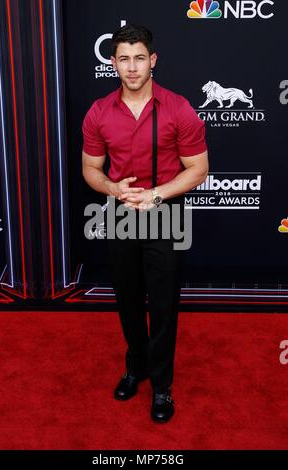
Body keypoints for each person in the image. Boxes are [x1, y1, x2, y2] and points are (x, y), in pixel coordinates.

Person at [82, 24, 208, 423]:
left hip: (166, 211)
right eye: (124, 59)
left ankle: (162, 386)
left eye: (139, 58)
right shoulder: (99, 111)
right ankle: (135, 367)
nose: (132, 67)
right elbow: (90, 168)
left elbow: (199, 169)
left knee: (165, 304)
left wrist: (155, 194)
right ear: (113, 63)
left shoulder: (178, 108)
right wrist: (114, 188)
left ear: (152, 60)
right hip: (120, 213)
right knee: (129, 301)